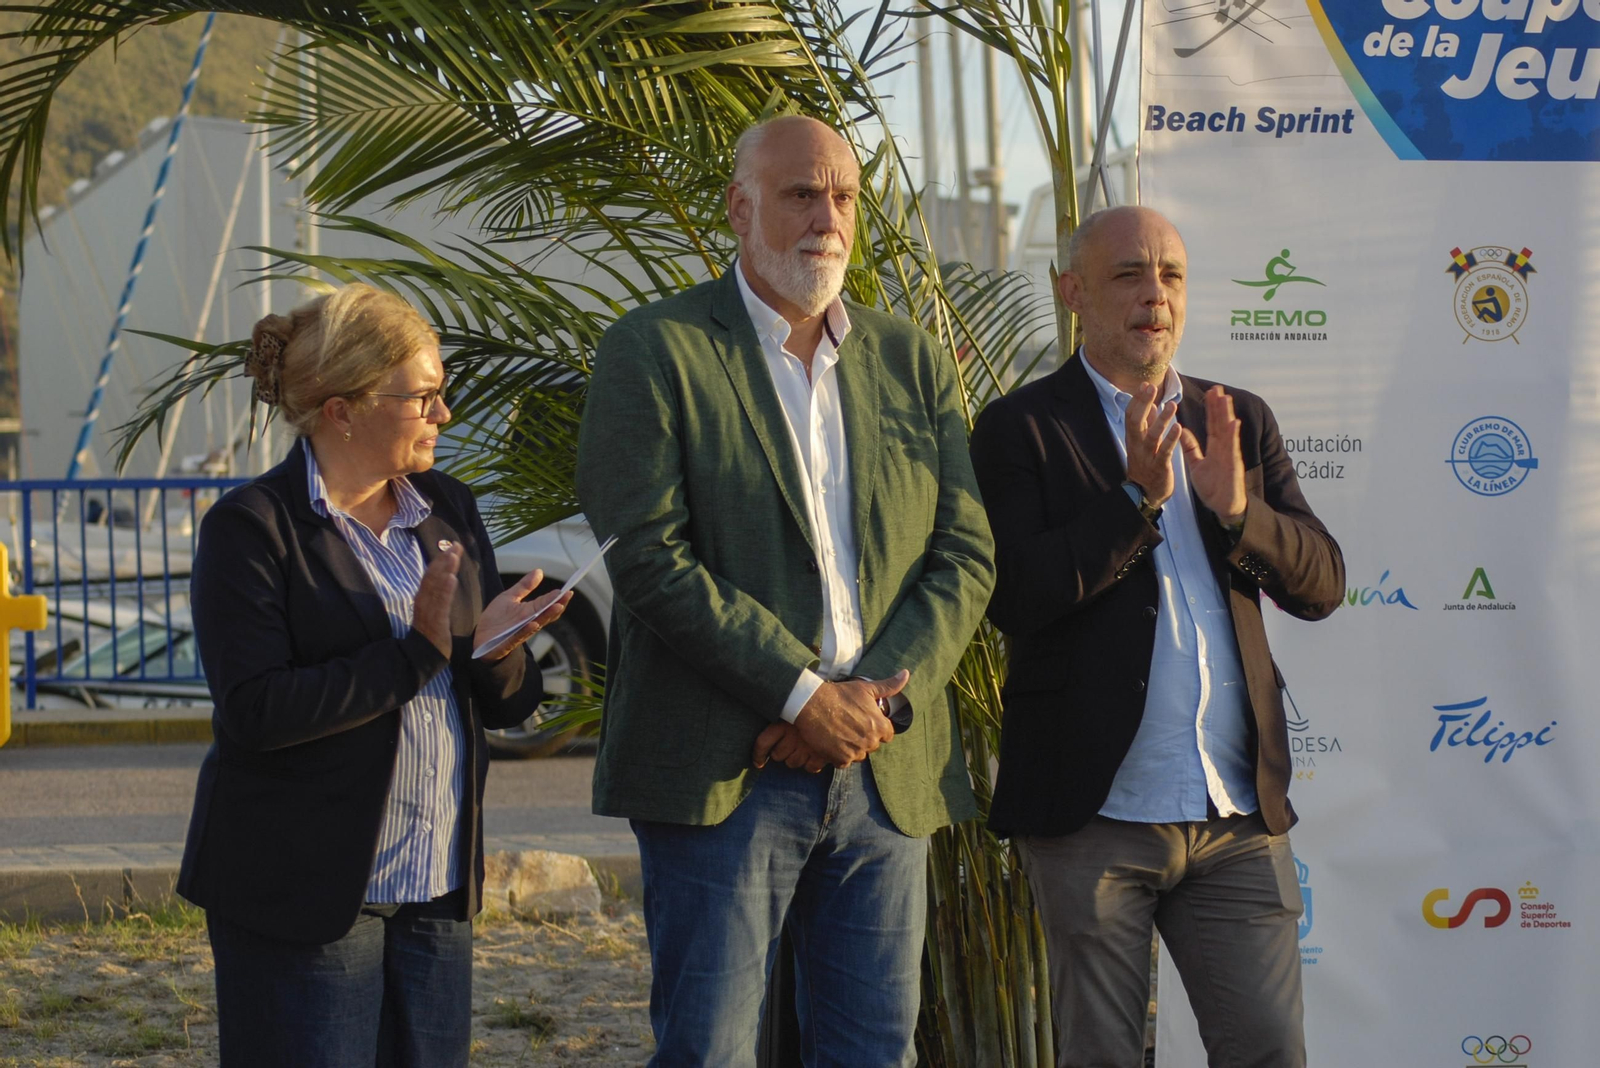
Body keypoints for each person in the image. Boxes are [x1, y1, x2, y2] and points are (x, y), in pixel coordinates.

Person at [575, 114, 996, 1066]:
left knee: (871, 1052)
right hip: (729, 773)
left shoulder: (907, 359)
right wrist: (803, 695)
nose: (828, 217)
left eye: (844, 196)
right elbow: (645, 554)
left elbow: (964, 550)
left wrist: (872, 704)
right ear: (740, 206)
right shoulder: (654, 349)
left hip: (884, 775)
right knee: (710, 1052)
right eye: (802, 192)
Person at [969, 206, 1344, 1068]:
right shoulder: (1020, 427)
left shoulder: (1235, 418)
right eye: (1129, 275)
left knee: (1269, 1050)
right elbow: (1015, 597)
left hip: (1234, 813)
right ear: (1073, 293)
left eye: (1170, 275)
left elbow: (1322, 585)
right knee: (1100, 1055)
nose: (1155, 296)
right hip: (1091, 814)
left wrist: (1240, 511)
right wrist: (1135, 500)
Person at [177, 283, 570, 1067]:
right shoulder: (252, 529)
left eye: (442, 395)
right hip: (308, 897)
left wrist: (499, 654)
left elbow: (501, 704)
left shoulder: (446, 507)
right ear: (341, 409)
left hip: (436, 890)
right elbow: (256, 710)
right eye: (423, 397)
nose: (443, 416)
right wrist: (420, 653)